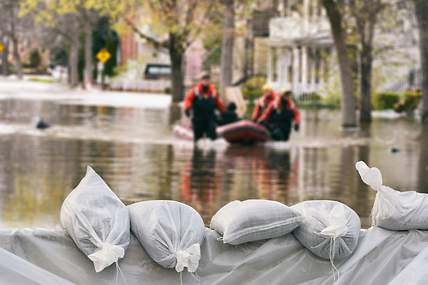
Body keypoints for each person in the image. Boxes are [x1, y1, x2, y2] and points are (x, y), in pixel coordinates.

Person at [184, 74, 225, 142]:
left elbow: (218, 103)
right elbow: (188, 100)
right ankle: (197, 150)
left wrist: (223, 112)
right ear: (201, 81)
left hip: (210, 117)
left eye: (208, 80)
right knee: (197, 137)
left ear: (209, 81)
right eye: (205, 80)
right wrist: (188, 108)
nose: (206, 82)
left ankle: (211, 149)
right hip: (198, 118)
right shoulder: (195, 90)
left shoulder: (213, 91)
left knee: (212, 134)